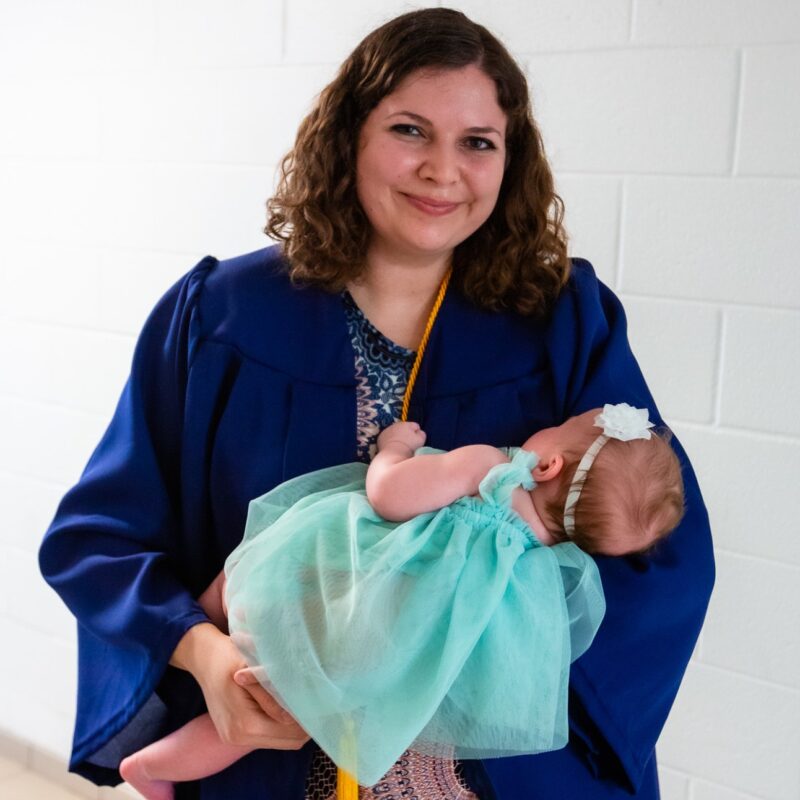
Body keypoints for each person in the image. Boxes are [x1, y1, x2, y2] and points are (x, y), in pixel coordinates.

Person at [38, 7, 714, 800]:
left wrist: (462, 660)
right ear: (349, 136)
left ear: (510, 161)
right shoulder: (220, 316)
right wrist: (204, 655)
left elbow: (656, 545)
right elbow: (99, 540)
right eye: (409, 130)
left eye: (477, 142)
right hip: (273, 761)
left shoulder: (562, 320)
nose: (442, 170)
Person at [118, 404, 685, 800]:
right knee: (276, 711)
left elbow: (388, 498)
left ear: (549, 465)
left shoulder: (489, 468)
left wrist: (393, 449)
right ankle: (157, 766)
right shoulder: (546, 564)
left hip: (341, 586)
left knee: (251, 573)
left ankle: (199, 624)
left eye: (556, 427)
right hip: (384, 661)